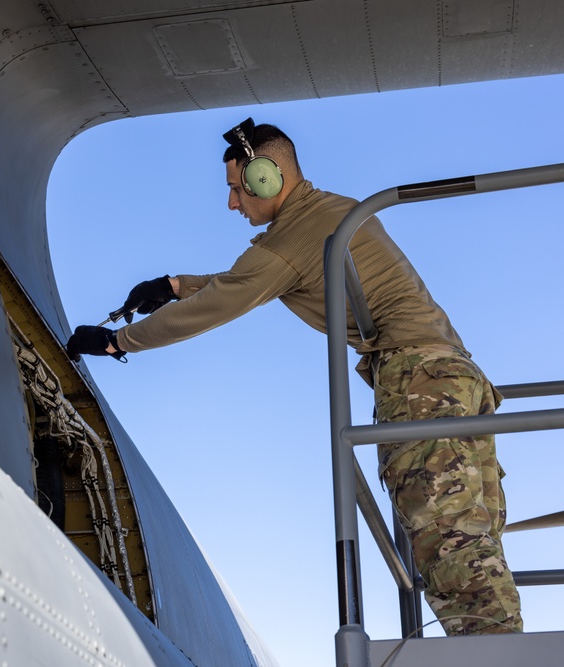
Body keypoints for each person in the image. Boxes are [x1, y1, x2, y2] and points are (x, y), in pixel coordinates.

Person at [66, 119, 522, 636]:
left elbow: (225, 300)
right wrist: (173, 285)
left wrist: (117, 341)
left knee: (444, 534)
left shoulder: (294, 238)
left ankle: (493, 651)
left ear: (268, 177)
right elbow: (246, 279)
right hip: (456, 378)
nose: (233, 205)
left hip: (418, 381)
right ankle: (504, 643)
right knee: (475, 540)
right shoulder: (324, 214)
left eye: (238, 190)